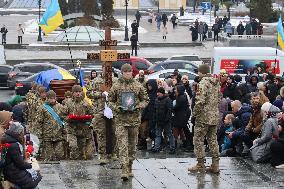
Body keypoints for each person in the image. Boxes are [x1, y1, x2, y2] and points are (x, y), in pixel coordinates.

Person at [108, 64, 149, 181]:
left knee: (132, 146)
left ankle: (130, 166)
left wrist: (138, 106)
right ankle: (124, 169)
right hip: (121, 120)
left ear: (132, 72)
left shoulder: (138, 85)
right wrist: (117, 107)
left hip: (134, 121)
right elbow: (110, 100)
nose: (127, 73)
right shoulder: (116, 86)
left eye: (129, 71)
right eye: (125, 72)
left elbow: (145, 99)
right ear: (121, 72)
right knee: (122, 146)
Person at [188, 64, 221, 173]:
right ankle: (215, 164)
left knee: (198, 140)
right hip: (214, 116)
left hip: (203, 117)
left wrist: (194, 114)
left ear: (201, 72)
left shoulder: (202, 83)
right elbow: (219, 98)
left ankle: (200, 164)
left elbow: (200, 101)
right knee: (213, 140)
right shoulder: (216, 82)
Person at [86, 65, 116, 164]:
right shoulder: (96, 80)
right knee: (101, 133)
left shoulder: (115, 80)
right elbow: (89, 93)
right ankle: (102, 154)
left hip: (112, 110)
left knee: (114, 132)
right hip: (100, 110)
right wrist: (100, 94)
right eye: (105, 68)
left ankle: (113, 153)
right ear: (102, 68)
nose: (107, 70)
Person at [2, 122, 42, 188]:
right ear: (19, 133)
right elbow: (20, 164)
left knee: (34, 176)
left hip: (9, 169)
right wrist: (30, 165)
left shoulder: (8, 139)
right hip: (12, 172)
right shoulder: (13, 145)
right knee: (35, 177)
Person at [62, 85, 95, 160]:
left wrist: (87, 118)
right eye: (76, 92)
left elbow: (92, 114)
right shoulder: (68, 103)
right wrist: (69, 118)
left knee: (81, 152)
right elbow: (62, 115)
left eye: (79, 92)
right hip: (72, 129)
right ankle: (72, 164)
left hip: (83, 130)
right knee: (73, 147)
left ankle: (79, 168)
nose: (78, 94)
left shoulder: (85, 103)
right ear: (73, 93)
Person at [35, 90, 66, 161]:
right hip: (47, 135)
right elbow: (39, 122)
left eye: (53, 98)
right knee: (49, 157)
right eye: (50, 98)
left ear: (56, 98)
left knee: (60, 154)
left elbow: (64, 120)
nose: (52, 100)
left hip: (58, 134)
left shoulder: (60, 107)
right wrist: (39, 135)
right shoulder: (42, 108)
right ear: (47, 98)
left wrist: (64, 131)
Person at [152, 87, 175, 154]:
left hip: (166, 121)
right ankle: (156, 148)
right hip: (158, 121)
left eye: (159, 92)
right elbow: (155, 111)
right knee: (158, 135)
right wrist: (155, 119)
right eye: (157, 92)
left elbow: (169, 111)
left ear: (162, 93)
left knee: (169, 134)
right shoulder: (156, 100)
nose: (157, 94)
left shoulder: (168, 100)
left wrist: (167, 119)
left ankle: (172, 147)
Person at [173, 85, 191, 149]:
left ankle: (188, 144)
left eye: (176, 90)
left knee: (184, 130)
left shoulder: (181, 98)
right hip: (182, 116)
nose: (175, 91)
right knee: (183, 130)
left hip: (182, 116)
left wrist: (172, 108)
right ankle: (186, 143)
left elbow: (176, 107)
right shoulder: (182, 96)